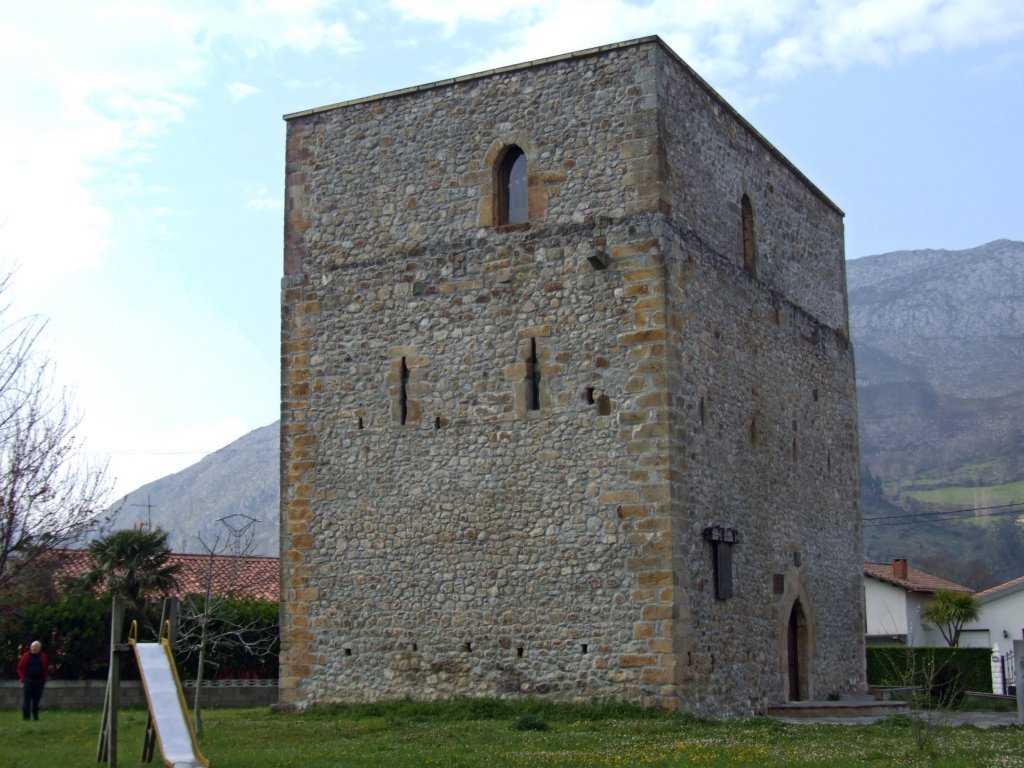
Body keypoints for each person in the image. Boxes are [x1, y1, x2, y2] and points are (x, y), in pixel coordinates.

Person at [17, 640, 49, 721]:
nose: (33, 649)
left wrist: (45, 678)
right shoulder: (26, 656)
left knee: (36, 700)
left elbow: (45, 667)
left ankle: (35, 716)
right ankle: (26, 717)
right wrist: (22, 678)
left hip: (40, 681)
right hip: (29, 680)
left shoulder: (43, 656)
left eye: (35, 647)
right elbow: (20, 668)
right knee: (27, 700)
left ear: (39, 648)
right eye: (32, 647)